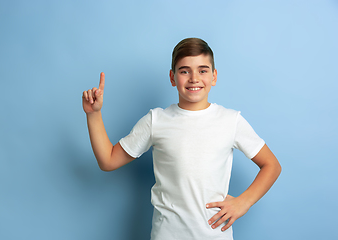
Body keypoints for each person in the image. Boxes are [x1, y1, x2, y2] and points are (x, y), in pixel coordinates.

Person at [82, 38, 281, 240]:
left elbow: (272, 165)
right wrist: (93, 114)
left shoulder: (231, 120)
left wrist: (243, 202)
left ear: (214, 76)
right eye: (185, 71)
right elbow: (108, 160)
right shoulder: (156, 120)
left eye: (202, 70)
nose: (194, 78)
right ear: (172, 77)